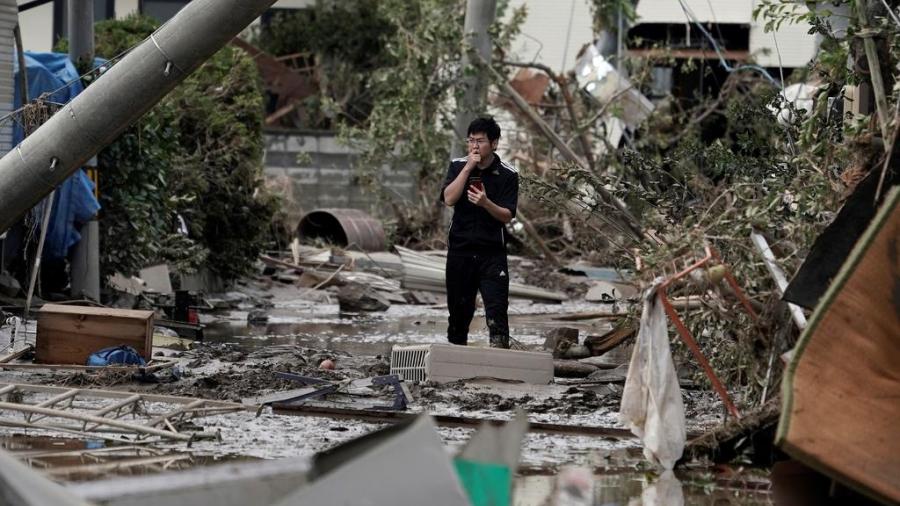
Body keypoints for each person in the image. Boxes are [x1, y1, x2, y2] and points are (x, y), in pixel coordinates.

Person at [439, 116, 518, 348]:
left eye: (480, 141)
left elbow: (507, 215)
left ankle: (500, 368)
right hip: (460, 251)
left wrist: (485, 203)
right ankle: (455, 365)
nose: (474, 146)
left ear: (494, 143)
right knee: (458, 314)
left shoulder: (507, 174)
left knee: (496, 312)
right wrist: (468, 168)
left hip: (492, 253)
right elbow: (449, 199)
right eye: (471, 140)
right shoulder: (457, 165)